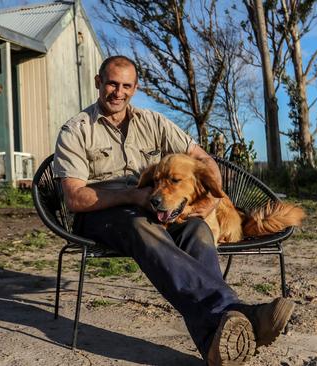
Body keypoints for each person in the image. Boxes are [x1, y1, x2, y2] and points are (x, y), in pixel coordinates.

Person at [52, 55, 294, 365]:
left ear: (135, 88)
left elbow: (205, 160)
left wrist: (213, 200)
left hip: (154, 208)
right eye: (112, 83)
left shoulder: (153, 122)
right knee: (140, 226)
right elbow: (75, 198)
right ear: (98, 82)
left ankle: (214, 344)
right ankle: (241, 312)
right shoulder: (76, 130)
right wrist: (133, 196)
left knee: (197, 229)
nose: (118, 92)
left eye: (126, 86)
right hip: (101, 215)